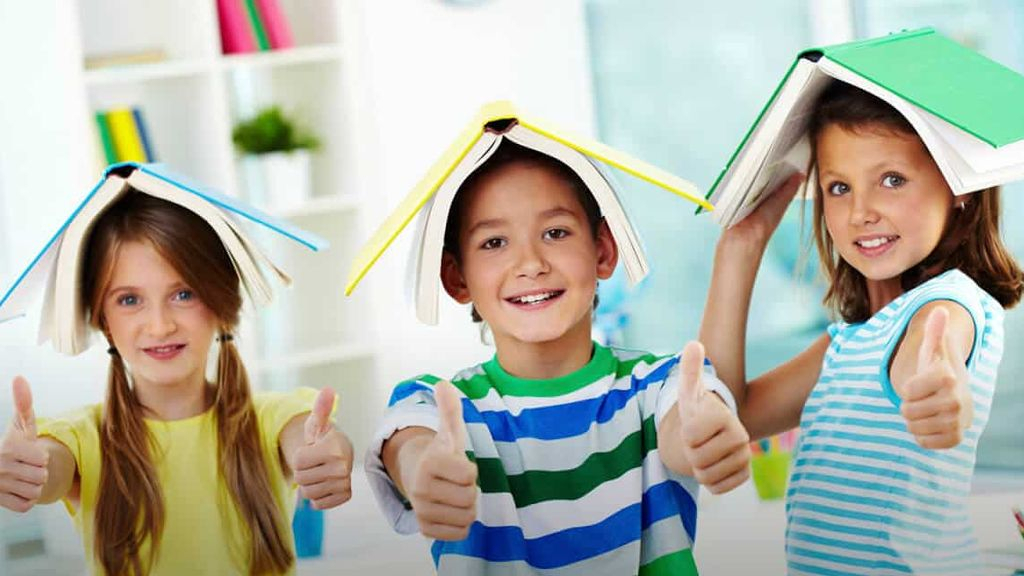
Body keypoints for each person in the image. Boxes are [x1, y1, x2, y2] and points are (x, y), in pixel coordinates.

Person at [365, 142, 752, 575]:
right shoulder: (441, 405)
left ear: (603, 250)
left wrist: (702, 436)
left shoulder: (659, 383)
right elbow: (410, 443)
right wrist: (425, 473)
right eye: (494, 242)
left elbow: (687, 418)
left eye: (555, 233)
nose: (530, 263)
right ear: (457, 278)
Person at [700, 82, 1023, 575]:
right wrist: (739, 249)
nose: (860, 211)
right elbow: (731, 413)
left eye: (892, 179)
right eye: (839, 187)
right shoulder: (847, 344)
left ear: (960, 188)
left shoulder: (948, 304)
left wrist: (943, 394)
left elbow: (937, 354)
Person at [0, 192, 354, 575]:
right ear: (104, 320)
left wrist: (326, 455)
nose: (160, 325)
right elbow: (49, 467)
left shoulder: (271, 419)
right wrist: (29, 470)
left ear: (221, 305)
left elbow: (308, 437)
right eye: (130, 299)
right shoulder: (81, 438)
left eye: (183, 294)